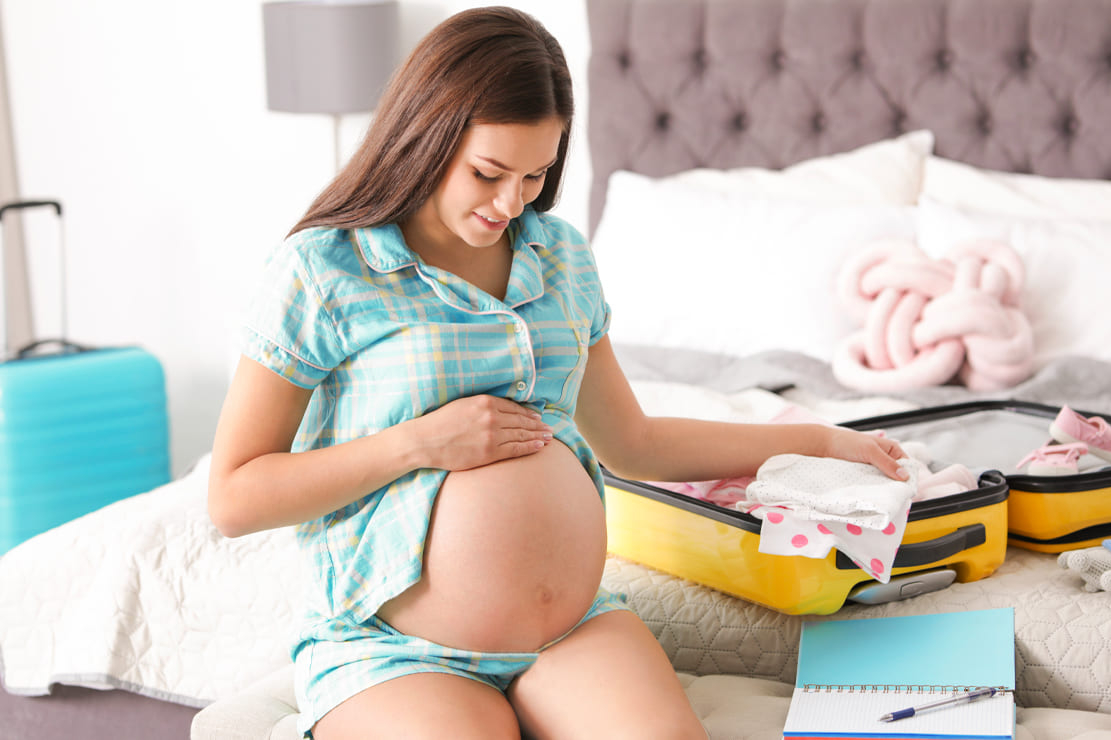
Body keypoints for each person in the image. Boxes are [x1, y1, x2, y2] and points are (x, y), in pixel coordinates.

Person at [208, 7, 909, 739]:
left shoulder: (560, 256)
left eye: (536, 175)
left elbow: (633, 442)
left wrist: (817, 442)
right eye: (488, 173)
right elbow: (234, 497)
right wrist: (417, 445)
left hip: (571, 632)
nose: (511, 203)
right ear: (425, 136)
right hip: (396, 650)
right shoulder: (325, 270)